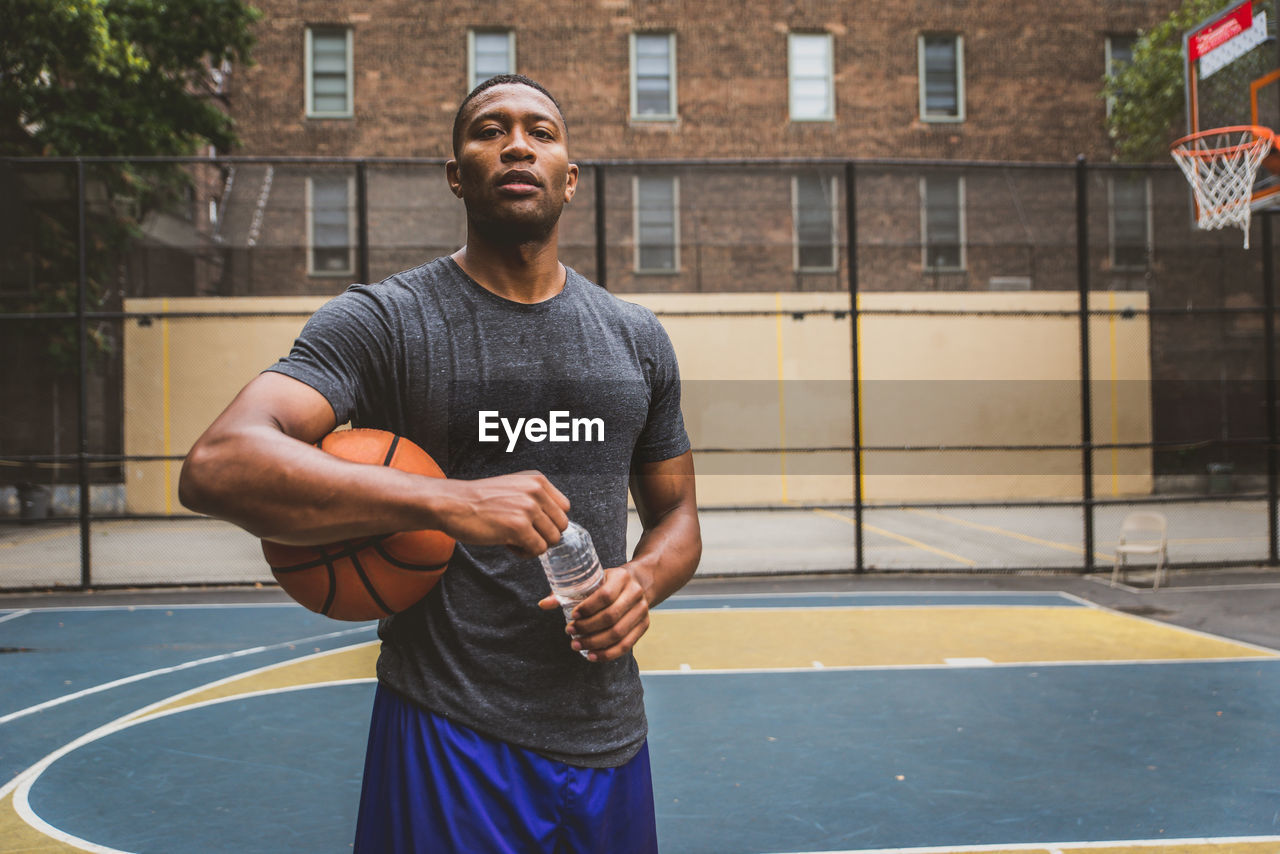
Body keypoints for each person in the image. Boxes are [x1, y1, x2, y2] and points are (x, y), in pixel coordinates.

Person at [178, 73, 701, 853]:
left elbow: (678, 517)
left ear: (570, 178)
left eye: (541, 132)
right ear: (457, 173)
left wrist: (643, 581)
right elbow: (217, 464)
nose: (517, 144)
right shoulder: (386, 321)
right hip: (452, 731)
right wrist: (443, 501)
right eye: (490, 130)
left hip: (611, 737)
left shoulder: (636, 338)